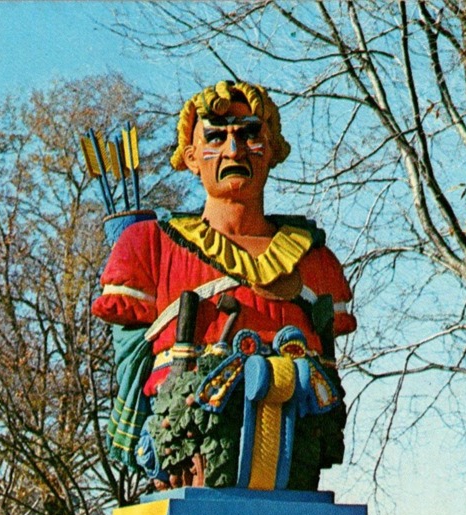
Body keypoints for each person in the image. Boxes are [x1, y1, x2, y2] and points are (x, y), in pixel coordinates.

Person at [92, 80, 355, 490]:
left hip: (295, 466)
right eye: (215, 136)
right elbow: (130, 363)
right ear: (192, 156)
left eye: (250, 133)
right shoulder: (149, 247)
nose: (234, 151)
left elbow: (331, 376)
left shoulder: (316, 261)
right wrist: (152, 442)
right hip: (188, 465)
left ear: (271, 149)